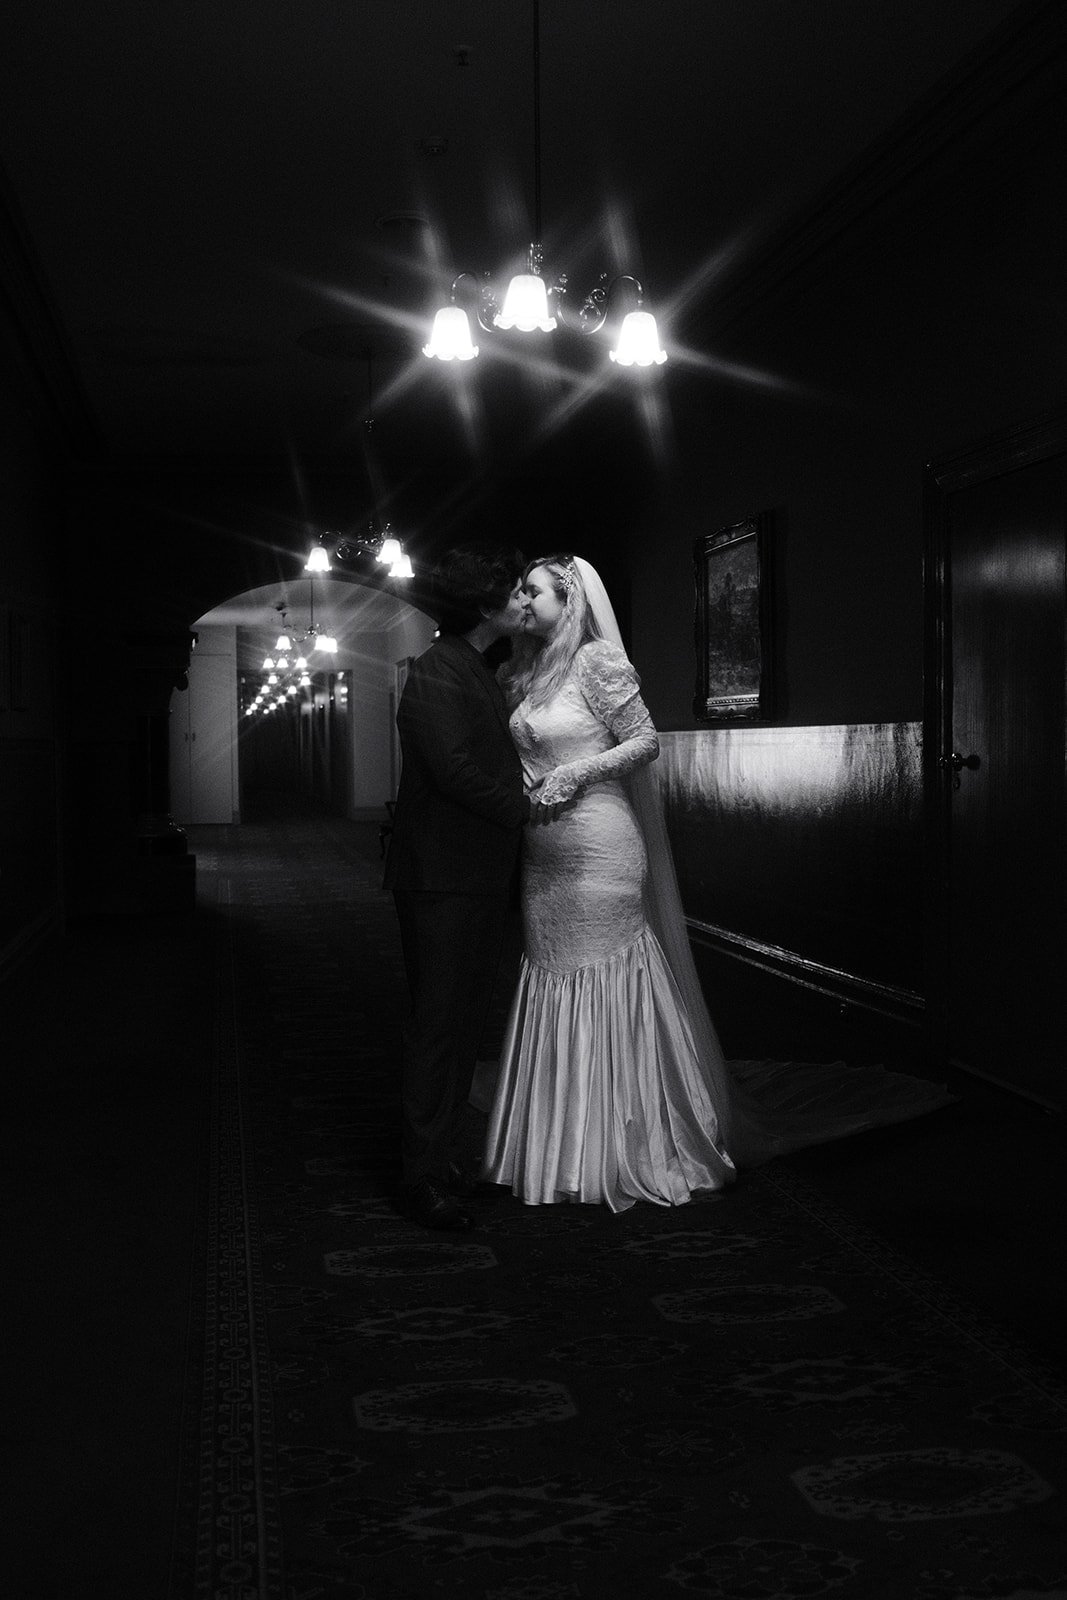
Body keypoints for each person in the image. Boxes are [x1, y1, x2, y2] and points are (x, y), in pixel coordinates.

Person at [482, 553, 953, 1212]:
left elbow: (644, 741)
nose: (522, 600)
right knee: (551, 970)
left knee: (605, 974)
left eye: (533, 591)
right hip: (543, 854)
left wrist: (576, 773)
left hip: (598, 845)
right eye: (520, 591)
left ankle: (628, 1140)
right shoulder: (522, 671)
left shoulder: (596, 662)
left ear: (571, 600)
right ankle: (558, 1141)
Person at [384, 541, 562, 1231]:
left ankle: (445, 1160)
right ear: (484, 606)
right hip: (439, 879)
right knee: (436, 1027)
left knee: (460, 1026)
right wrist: (529, 807)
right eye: (516, 592)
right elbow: (454, 771)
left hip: (474, 874)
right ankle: (422, 1176)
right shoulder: (437, 669)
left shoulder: (474, 666)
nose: (525, 601)